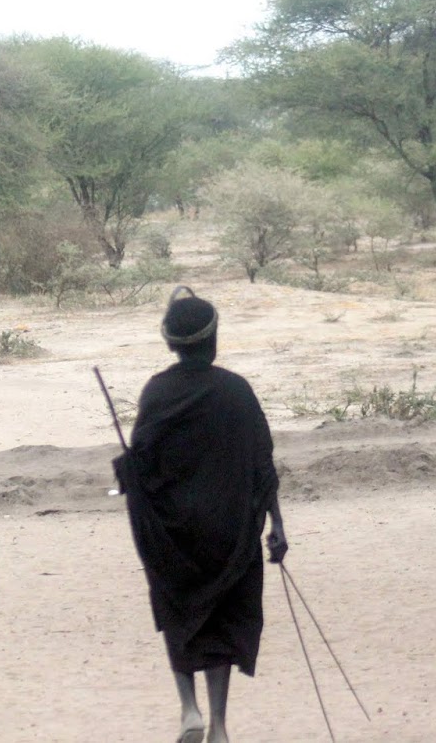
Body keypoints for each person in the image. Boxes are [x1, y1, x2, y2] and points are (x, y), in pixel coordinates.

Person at [115, 286, 286, 743]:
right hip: (229, 530)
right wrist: (277, 526)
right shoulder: (236, 390)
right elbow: (262, 463)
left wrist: (126, 467)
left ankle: (189, 710)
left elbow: (141, 466)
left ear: (170, 343)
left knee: (177, 611)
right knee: (224, 618)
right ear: (213, 340)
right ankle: (220, 725)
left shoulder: (156, 391)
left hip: (173, 534)